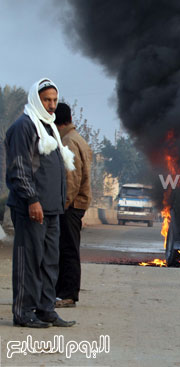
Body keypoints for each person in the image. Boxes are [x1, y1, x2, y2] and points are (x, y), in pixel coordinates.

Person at [5, 78, 76, 328]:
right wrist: (32, 200)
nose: (52, 105)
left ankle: (46, 309)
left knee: (49, 262)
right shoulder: (25, 127)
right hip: (31, 208)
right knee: (29, 261)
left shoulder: (49, 128)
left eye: (55, 100)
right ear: (37, 99)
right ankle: (23, 312)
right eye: (47, 100)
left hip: (52, 210)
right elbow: (19, 169)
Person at [54, 102, 93, 308]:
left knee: (67, 249)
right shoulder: (78, 139)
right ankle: (63, 292)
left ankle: (68, 294)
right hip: (77, 203)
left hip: (71, 205)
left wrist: (64, 204)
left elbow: (72, 177)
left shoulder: (68, 142)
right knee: (67, 248)